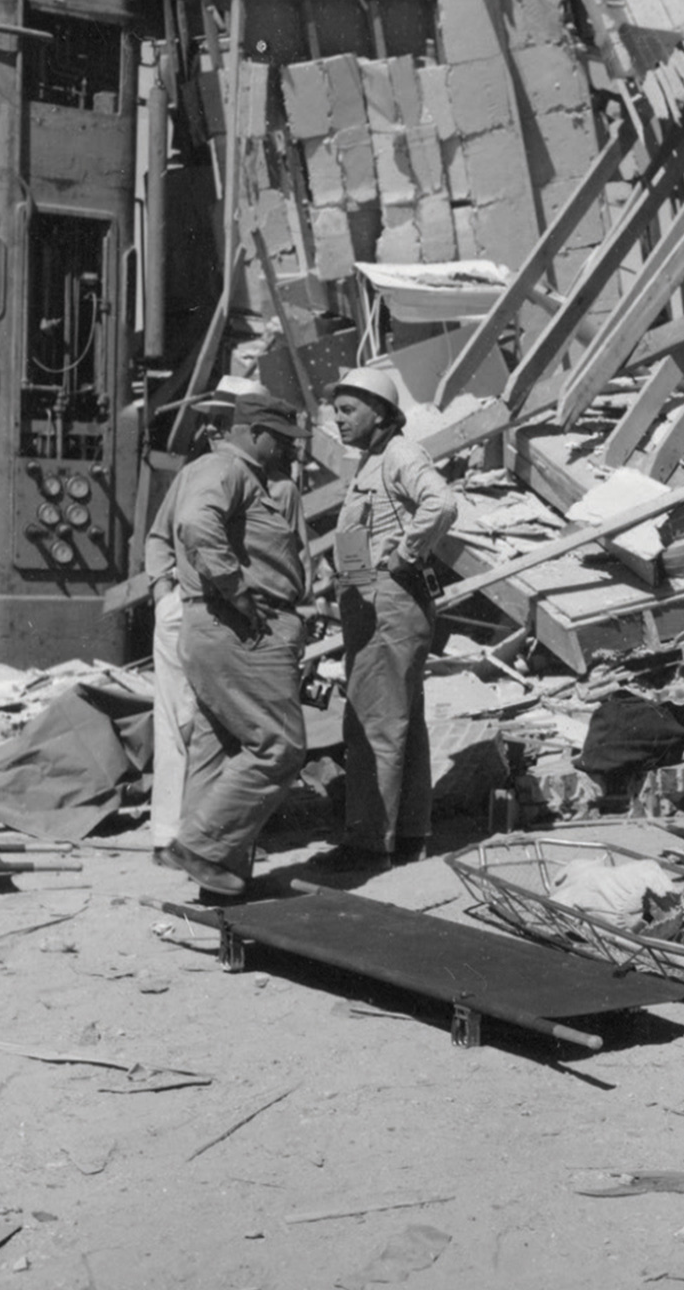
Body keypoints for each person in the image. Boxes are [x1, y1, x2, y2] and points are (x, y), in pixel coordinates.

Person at [305, 368, 458, 877]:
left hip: (389, 603)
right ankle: (408, 834)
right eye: (335, 410)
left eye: (348, 410)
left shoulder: (399, 454)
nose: (338, 419)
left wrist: (406, 554)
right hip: (372, 602)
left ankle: (369, 843)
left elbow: (442, 502)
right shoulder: (372, 461)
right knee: (399, 722)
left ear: (381, 412)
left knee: (372, 722)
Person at [164, 392, 311, 899]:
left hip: (225, 626)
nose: (286, 450)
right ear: (253, 432)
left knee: (220, 747)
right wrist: (238, 590)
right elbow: (194, 525)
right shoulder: (224, 468)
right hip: (240, 626)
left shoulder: (253, 479)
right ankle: (201, 846)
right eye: (280, 439)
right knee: (280, 746)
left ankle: (217, 880)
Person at [142, 394, 237, 868]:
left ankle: (200, 834)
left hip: (227, 614)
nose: (213, 431)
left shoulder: (263, 480)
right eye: (212, 423)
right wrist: (163, 593)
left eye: (223, 422)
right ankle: (168, 836)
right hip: (188, 606)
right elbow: (158, 536)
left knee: (210, 721)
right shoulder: (192, 475)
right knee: (176, 719)